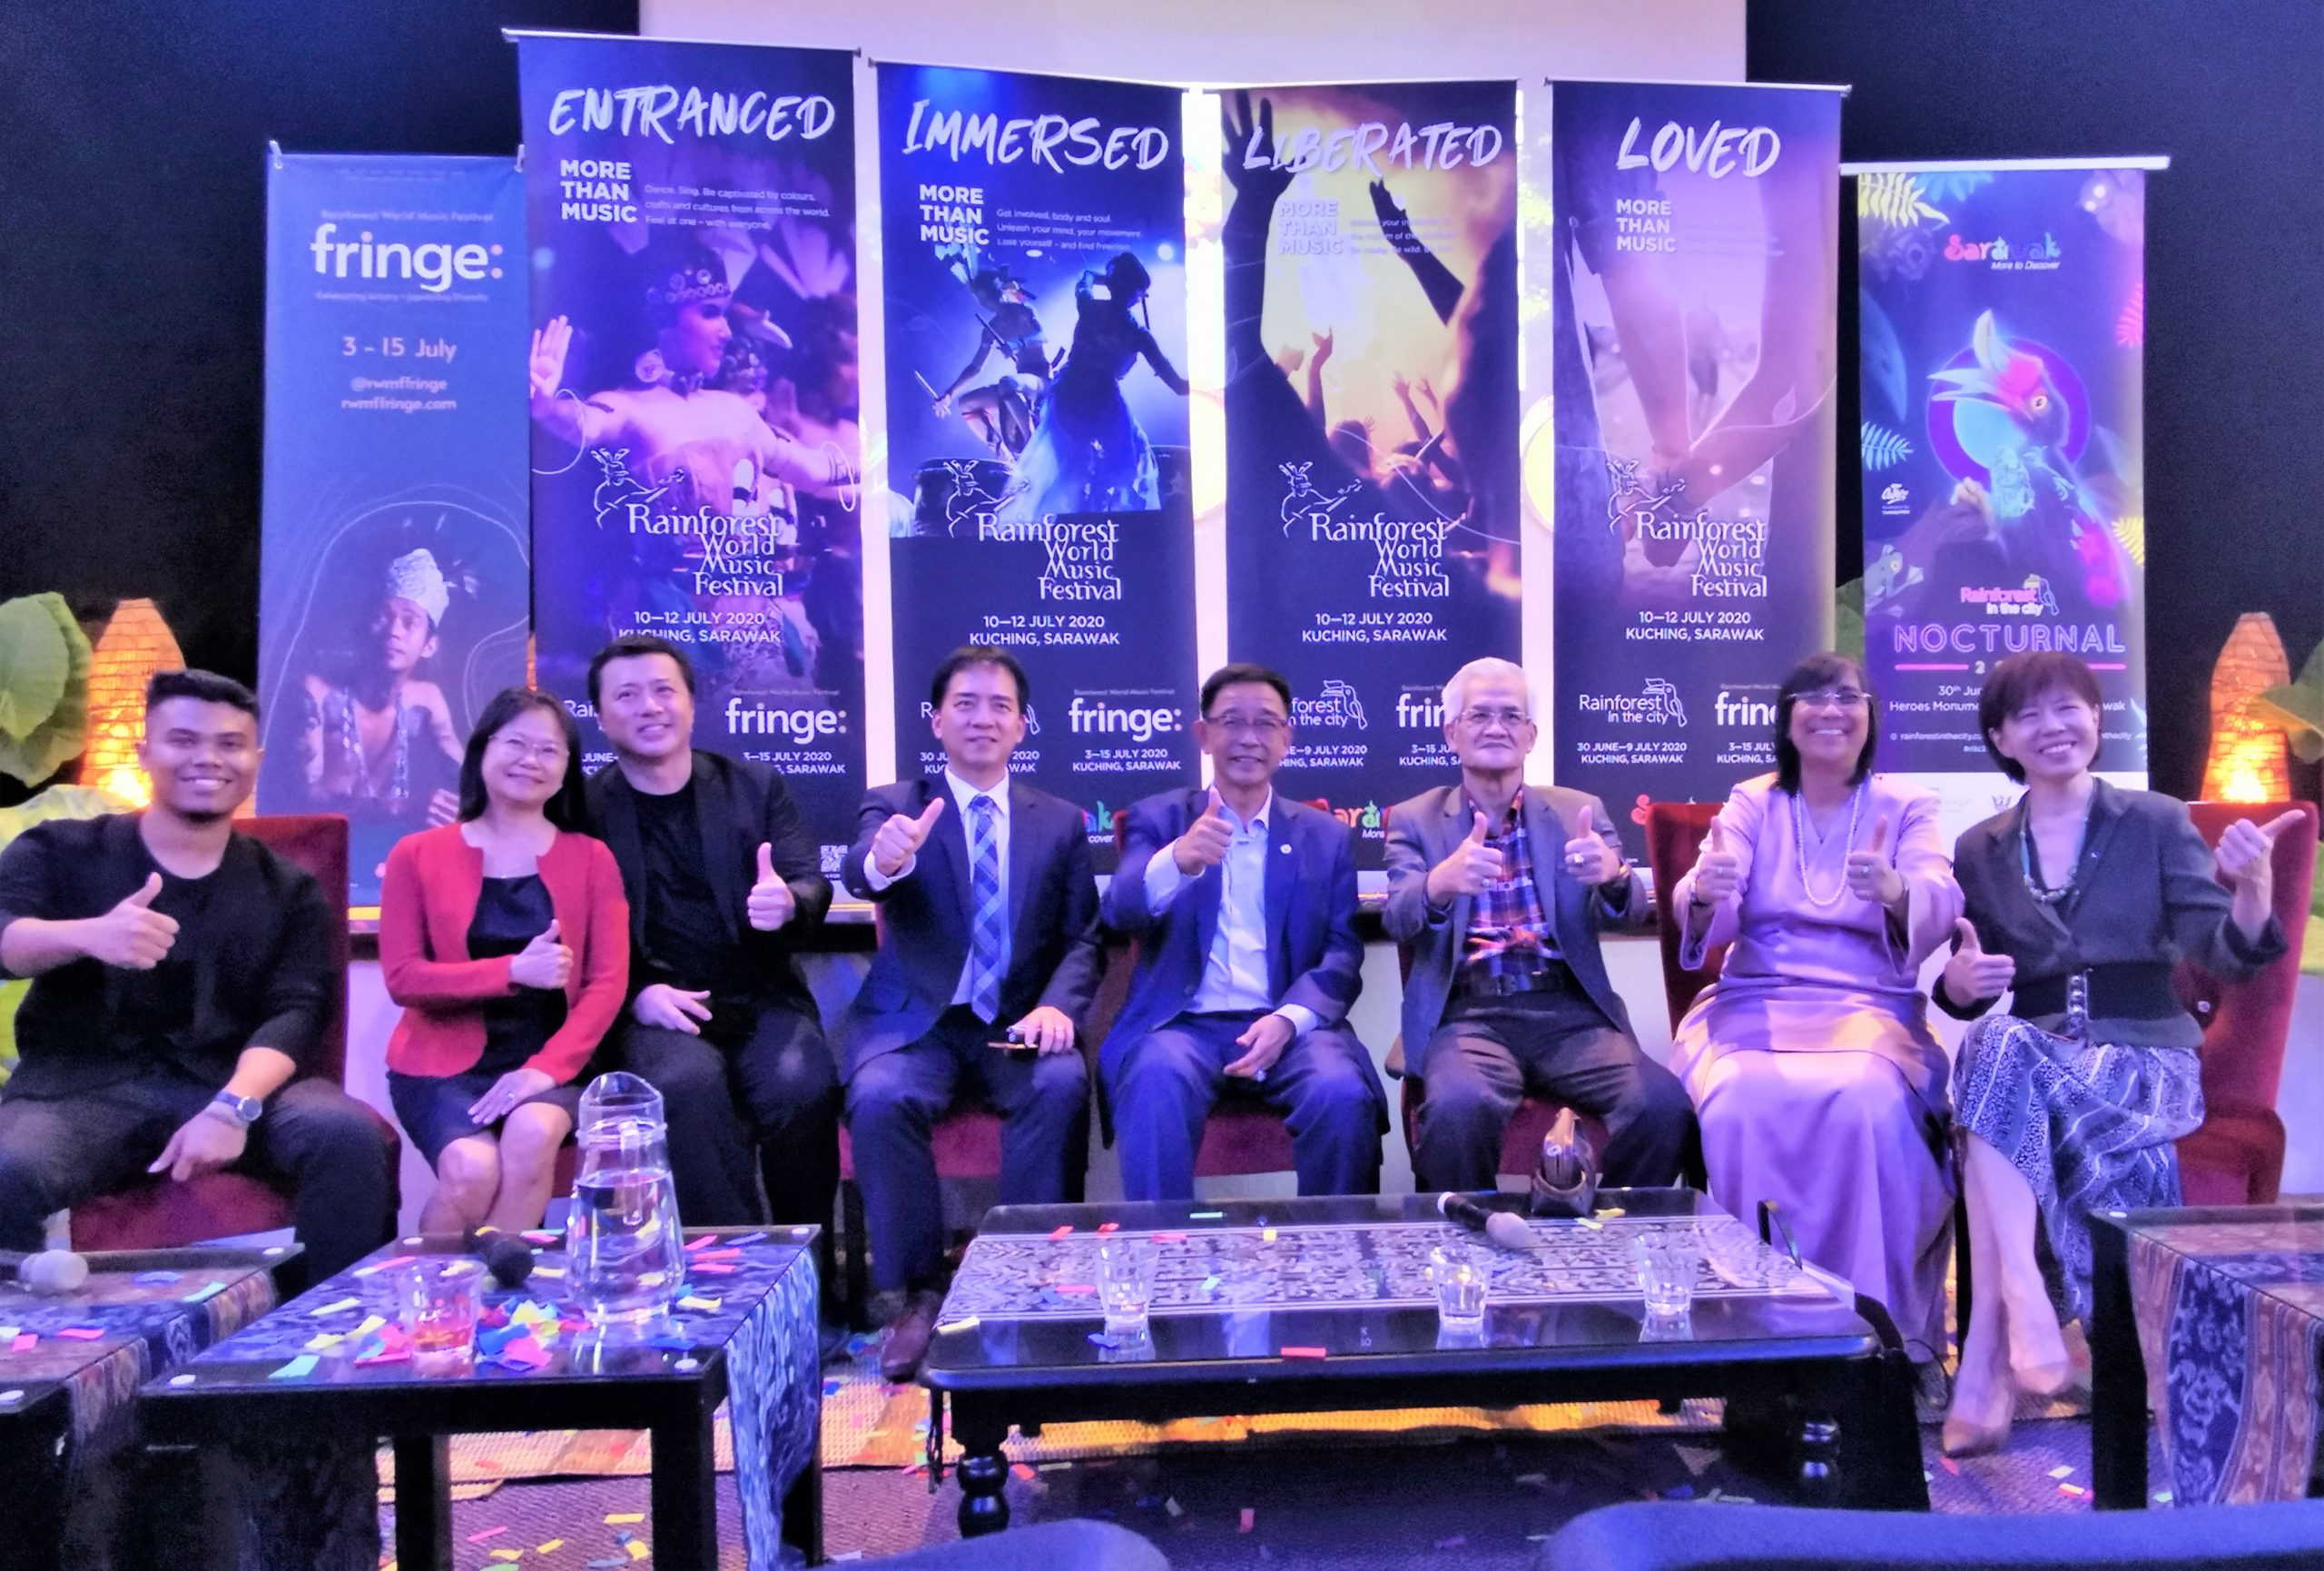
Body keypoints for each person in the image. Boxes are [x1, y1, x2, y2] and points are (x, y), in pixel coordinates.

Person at [1935, 650, 2298, 1457]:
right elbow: (1971, 983)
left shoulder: (2156, 821)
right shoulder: (1979, 848)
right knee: (1996, 1041)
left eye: (2069, 708)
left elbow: (2226, 955)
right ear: (2000, 738)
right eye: (2028, 715)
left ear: (2098, 720)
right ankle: (2019, 1310)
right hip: (2033, 1063)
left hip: (2144, 1064)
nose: (2053, 726)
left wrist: (2253, 888)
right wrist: (1958, 984)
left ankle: (1996, 1343)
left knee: (1996, 1068)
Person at [0, 672, 393, 1280]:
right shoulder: (61, 849)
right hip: (83, 1088)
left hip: (237, 1082)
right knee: (9, 1167)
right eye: (183, 740)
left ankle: (328, 1329)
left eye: (229, 744)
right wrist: (89, 935)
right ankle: (23, 1338)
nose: (208, 758)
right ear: (144, 752)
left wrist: (232, 1108)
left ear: (256, 760)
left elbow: (297, 1010)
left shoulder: (288, 888)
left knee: (343, 1135)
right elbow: (5, 942)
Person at [1667, 653, 1962, 1377]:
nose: (1831, 710)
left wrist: (1897, 891)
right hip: (1754, 1000)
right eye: (1813, 698)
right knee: (1737, 1095)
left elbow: (1939, 891)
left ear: (1871, 716)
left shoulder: (1908, 804)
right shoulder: (1752, 800)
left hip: (1870, 1007)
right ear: (1787, 719)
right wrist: (1704, 891)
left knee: (1866, 1098)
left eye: (1848, 698)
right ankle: (1752, 1332)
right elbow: (1709, 892)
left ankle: (1878, 1337)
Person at [839, 647, 1101, 1378]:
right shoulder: (896, 804)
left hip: (1015, 1023)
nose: (983, 718)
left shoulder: (1059, 821)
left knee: (1059, 1083)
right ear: (936, 720)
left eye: (1000, 706)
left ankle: (1023, 1279)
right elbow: (862, 870)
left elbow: (1083, 937)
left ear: (1021, 725)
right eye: (965, 704)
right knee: (881, 1097)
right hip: (919, 1024)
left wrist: (1058, 1007)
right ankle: (919, 1294)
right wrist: (886, 859)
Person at [1385, 657, 1695, 1193]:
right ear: (1451, 733)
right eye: (1480, 715)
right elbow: (1398, 917)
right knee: (1459, 1109)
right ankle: (1476, 1237)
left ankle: (1602, 1229)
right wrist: (1439, 882)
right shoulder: (1416, 819)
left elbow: (1629, 912)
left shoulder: (1578, 810)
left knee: (1664, 1106)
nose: (1496, 727)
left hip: (1570, 1014)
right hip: (1469, 1015)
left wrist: (1615, 875)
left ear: (1530, 736)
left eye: (1512, 716)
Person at [583, 635, 840, 1240]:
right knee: (685, 1087)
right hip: (656, 1010)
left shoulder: (753, 785)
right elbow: (571, 930)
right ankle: (733, 1270)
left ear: (692, 705)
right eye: (627, 695)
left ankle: (811, 1271)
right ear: (600, 717)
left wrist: (789, 903)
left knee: (802, 1086)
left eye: (663, 691)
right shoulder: (582, 809)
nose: (650, 707)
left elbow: (810, 881)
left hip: (761, 998)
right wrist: (636, 996)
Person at [1102, 664, 1386, 1201]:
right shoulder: (1159, 819)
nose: (1249, 738)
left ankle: (1334, 1248)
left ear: (1287, 738)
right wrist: (1177, 860)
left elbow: (1342, 953)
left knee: (1341, 1093)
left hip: (1288, 1026)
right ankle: (1163, 1248)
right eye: (1232, 721)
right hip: (1181, 1027)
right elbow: (1120, 911)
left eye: (1266, 723)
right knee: (1154, 1083)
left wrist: (1289, 1019)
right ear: (1203, 733)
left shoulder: (1325, 837)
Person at [379, 688, 628, 1233]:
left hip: (554, 1057)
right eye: (515, 743)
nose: (530, 760)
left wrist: (545, 1069)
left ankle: (503, 1285)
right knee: (472, 1171)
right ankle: (437, 1286)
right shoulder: (415, 855)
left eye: (549, 750)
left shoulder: (592, 858)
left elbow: (607, 983)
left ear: (566, 771)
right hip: (440, 1064)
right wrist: (511, 971)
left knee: (532, 1134)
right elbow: (403, 978)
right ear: (482, 751)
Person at [1000, 251, 1187, 521]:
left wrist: (1109, 279)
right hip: (1091, 398)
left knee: (1078, 472)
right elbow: (1178, 385)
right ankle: (1094, 512)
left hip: (1078, 395)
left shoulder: (1091, 308)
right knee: (1116, 468)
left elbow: (1085, 277)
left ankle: (1086, 516)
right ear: (1138, 294)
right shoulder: (1136, 333)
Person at [298, 547, 463, 827]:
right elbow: (301, 798)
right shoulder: (318, 693)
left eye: (409, 622)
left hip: (394, 842)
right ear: (364, 627)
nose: (394, 631)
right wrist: (404, 807)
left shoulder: (426, 699)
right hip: (326, 838)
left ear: (429, 645)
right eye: (382, 617)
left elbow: (469, 774)